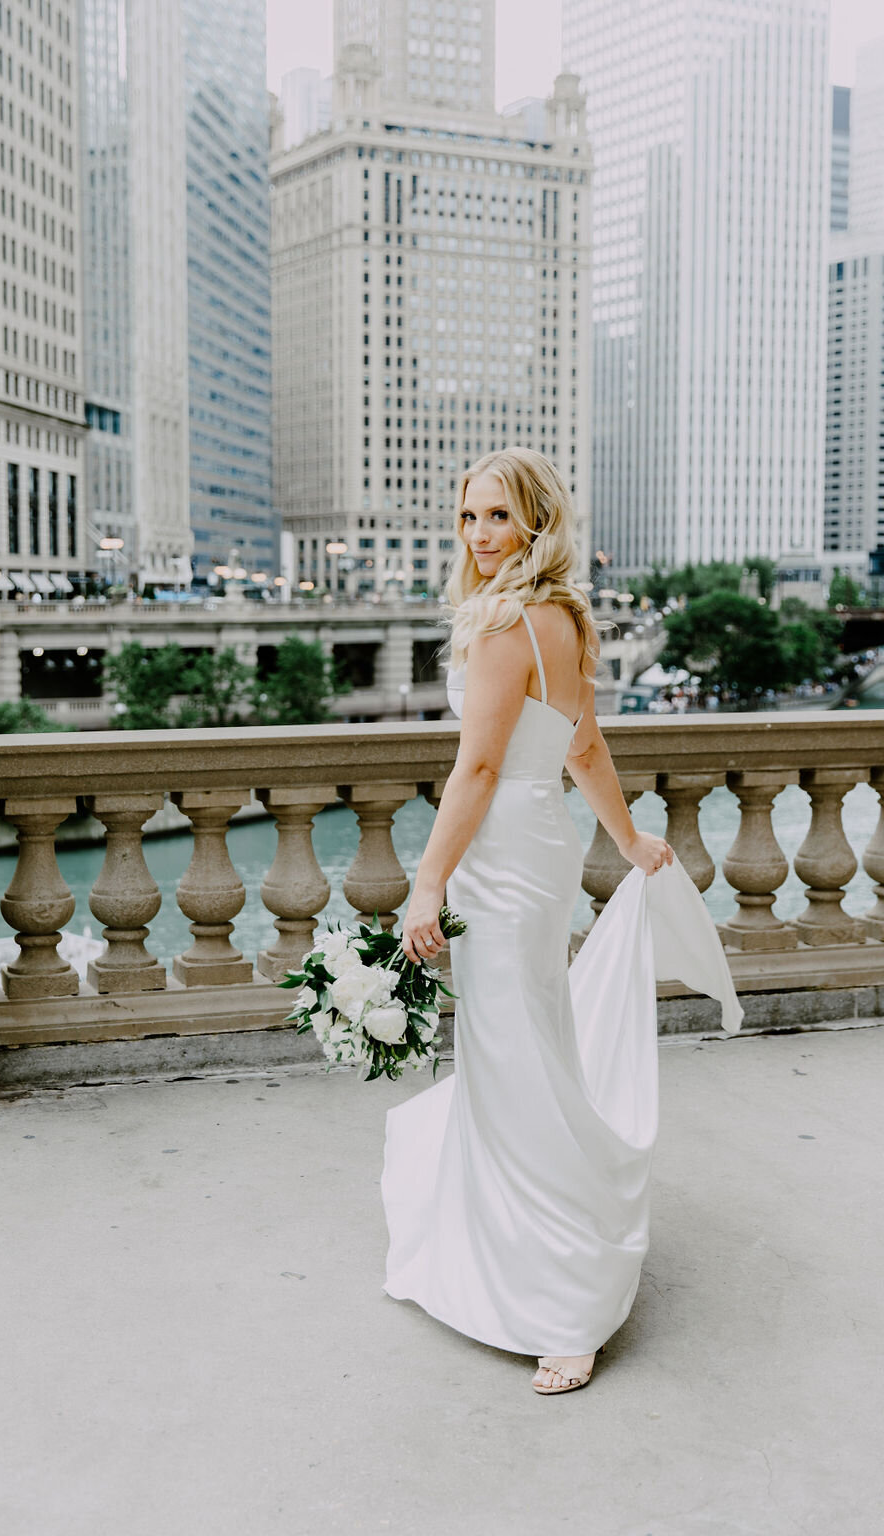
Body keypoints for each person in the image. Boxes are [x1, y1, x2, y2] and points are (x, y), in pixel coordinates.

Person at [381, 447, 675, 1396]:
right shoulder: (569, 620)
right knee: (522, 1044)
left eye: (497, 517)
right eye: (468, 518)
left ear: (537, 524)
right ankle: (514, 1236)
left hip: (505, 857)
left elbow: (475, 772)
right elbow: (583, 743)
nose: (478, 535)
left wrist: (427, 884)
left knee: (514, 1055)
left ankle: (563, 1297)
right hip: (540, 848)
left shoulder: (508, 622)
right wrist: (626, 841)